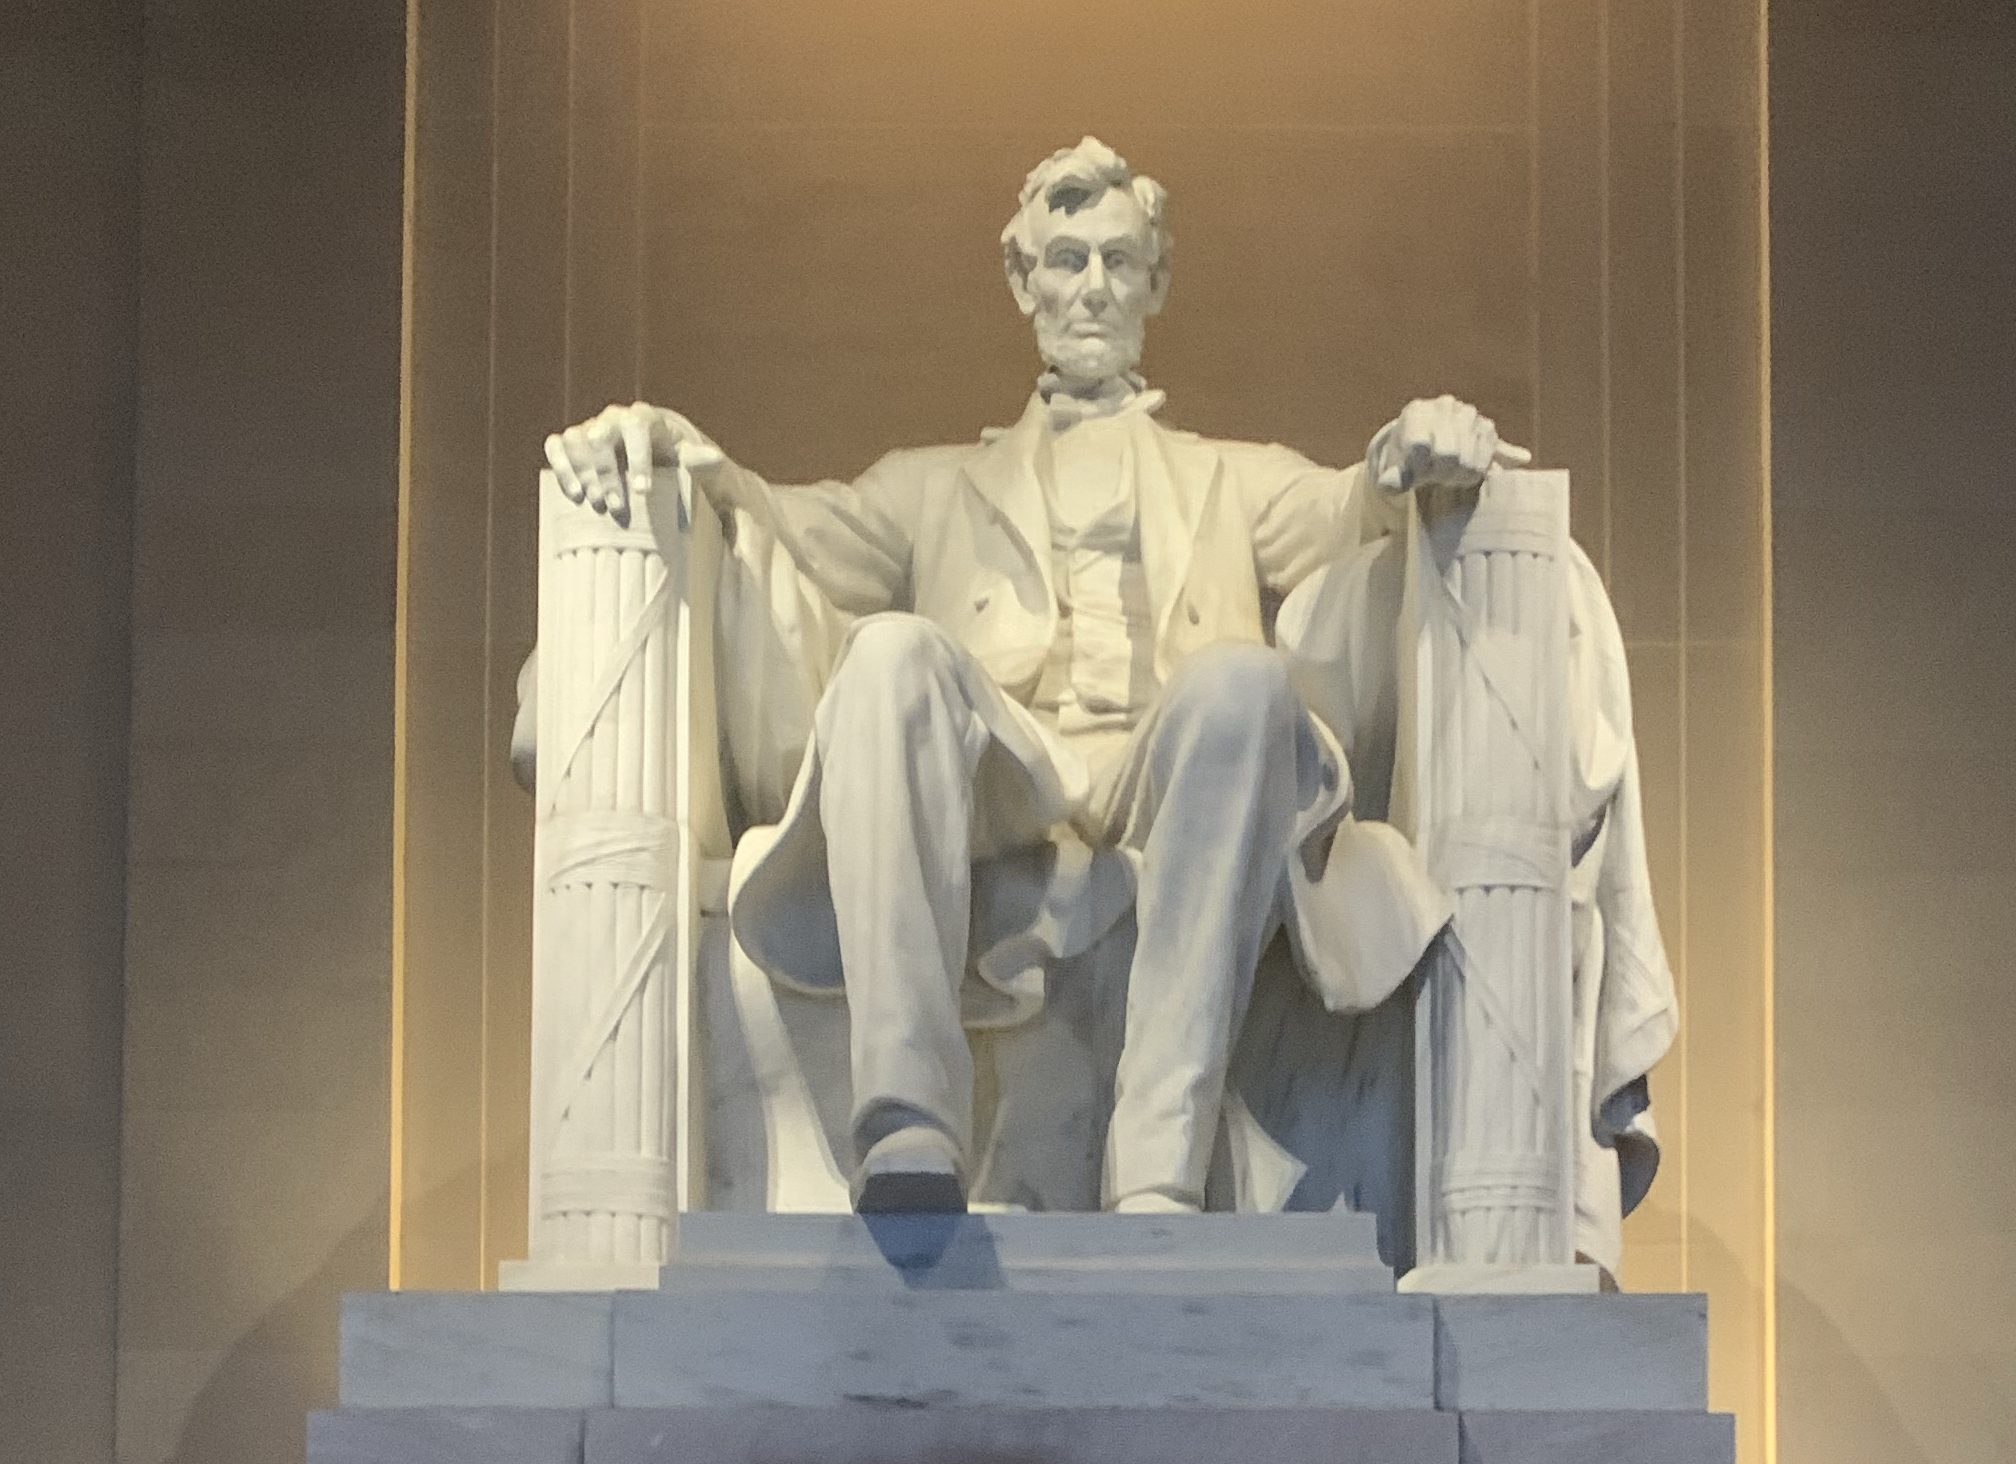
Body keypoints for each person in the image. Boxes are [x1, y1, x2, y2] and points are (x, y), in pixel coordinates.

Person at [544, 137, 1520, 1215]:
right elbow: (781, 522)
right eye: (1066, 259)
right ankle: (908, 1125)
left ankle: (1158, 1163)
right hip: (1003, 775)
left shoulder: (1231, 477)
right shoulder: (933, 486)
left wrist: (1409, 453)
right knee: (890, 652)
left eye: (1118, 260)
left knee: (1244, 682)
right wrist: (681, 454)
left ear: (1156, 283)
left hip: (1170, 775)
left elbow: (1350, 508)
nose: (1092, 286)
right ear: (1023, 282)